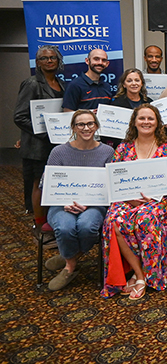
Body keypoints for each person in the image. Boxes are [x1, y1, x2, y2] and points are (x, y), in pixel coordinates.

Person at [101, 104, 167, 299]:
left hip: (159, 200)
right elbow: (115, 178)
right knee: (114, 220)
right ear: (134, 122)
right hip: (127, 199)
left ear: (157, 123)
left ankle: (146, 276)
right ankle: (139, 275)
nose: (146, 122)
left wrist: (157, 194)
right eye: (142, 119)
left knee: (146, 218)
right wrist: (129, 197)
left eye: (150, 119)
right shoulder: (123, 148)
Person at [42, 109, 114, 290]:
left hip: (94, 204)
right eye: (80, 124)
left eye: (90, 123)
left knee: (87, 227)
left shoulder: (107, 151)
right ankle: (70, 266)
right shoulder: (58, 152)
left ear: (96, 126)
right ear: (73, 127)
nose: (86, 128)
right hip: (61, 203)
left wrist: (89, 202)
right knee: (65, 228)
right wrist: (63, 201)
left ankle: (69, 254)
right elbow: (47, 183)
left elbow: (111, 184)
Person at [14, 46, 66, 229]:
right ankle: (39, 224)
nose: (49, 61)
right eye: (45, 58)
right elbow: (19, 116)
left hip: (56, 144)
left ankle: (51, 221)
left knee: (54, 182)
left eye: (53, 58)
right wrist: (44, 132)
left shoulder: (62, 83)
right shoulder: (31, 83)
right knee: (39, 183)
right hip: (38, 145)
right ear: (38, 62)